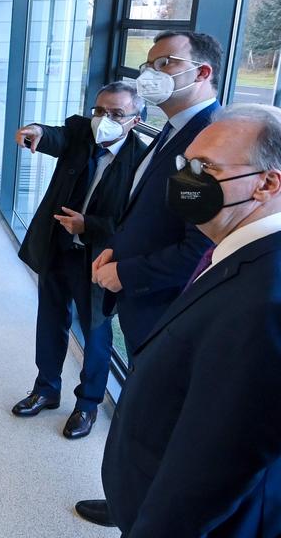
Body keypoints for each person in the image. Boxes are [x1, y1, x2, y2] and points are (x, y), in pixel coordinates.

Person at [101, 104, 281, 536]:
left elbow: (220, 460)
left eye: (205, 168)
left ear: (267, 183)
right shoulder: (233, 252)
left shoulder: (266, 300)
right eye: (185, 165)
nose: (186, 180)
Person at [76, 31, 220, 527]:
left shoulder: (206, 142)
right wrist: (115, 244)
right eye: (150, 61)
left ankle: (137, 510)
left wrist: (125, 272)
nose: (151, 73)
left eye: (167, 62)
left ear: (201, 73)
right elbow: (148, 214)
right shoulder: (173, 130)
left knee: (152, 421)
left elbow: (197, 248)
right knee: (139, 411)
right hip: (141, 298)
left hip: (163, 305)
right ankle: (125, 501)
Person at [12, 82, 147, 439]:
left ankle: (87, 405)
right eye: (100, 111)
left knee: (96, 334)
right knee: (50, 320)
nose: (105, 119)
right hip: (58, 248)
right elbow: (54, 134)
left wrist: (89, 225)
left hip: (97, 258)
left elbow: (133, 221)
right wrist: (36, 131)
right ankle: (46, 389)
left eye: (116, 114)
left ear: (134, 120)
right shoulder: (81, 135)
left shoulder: (142, 162)